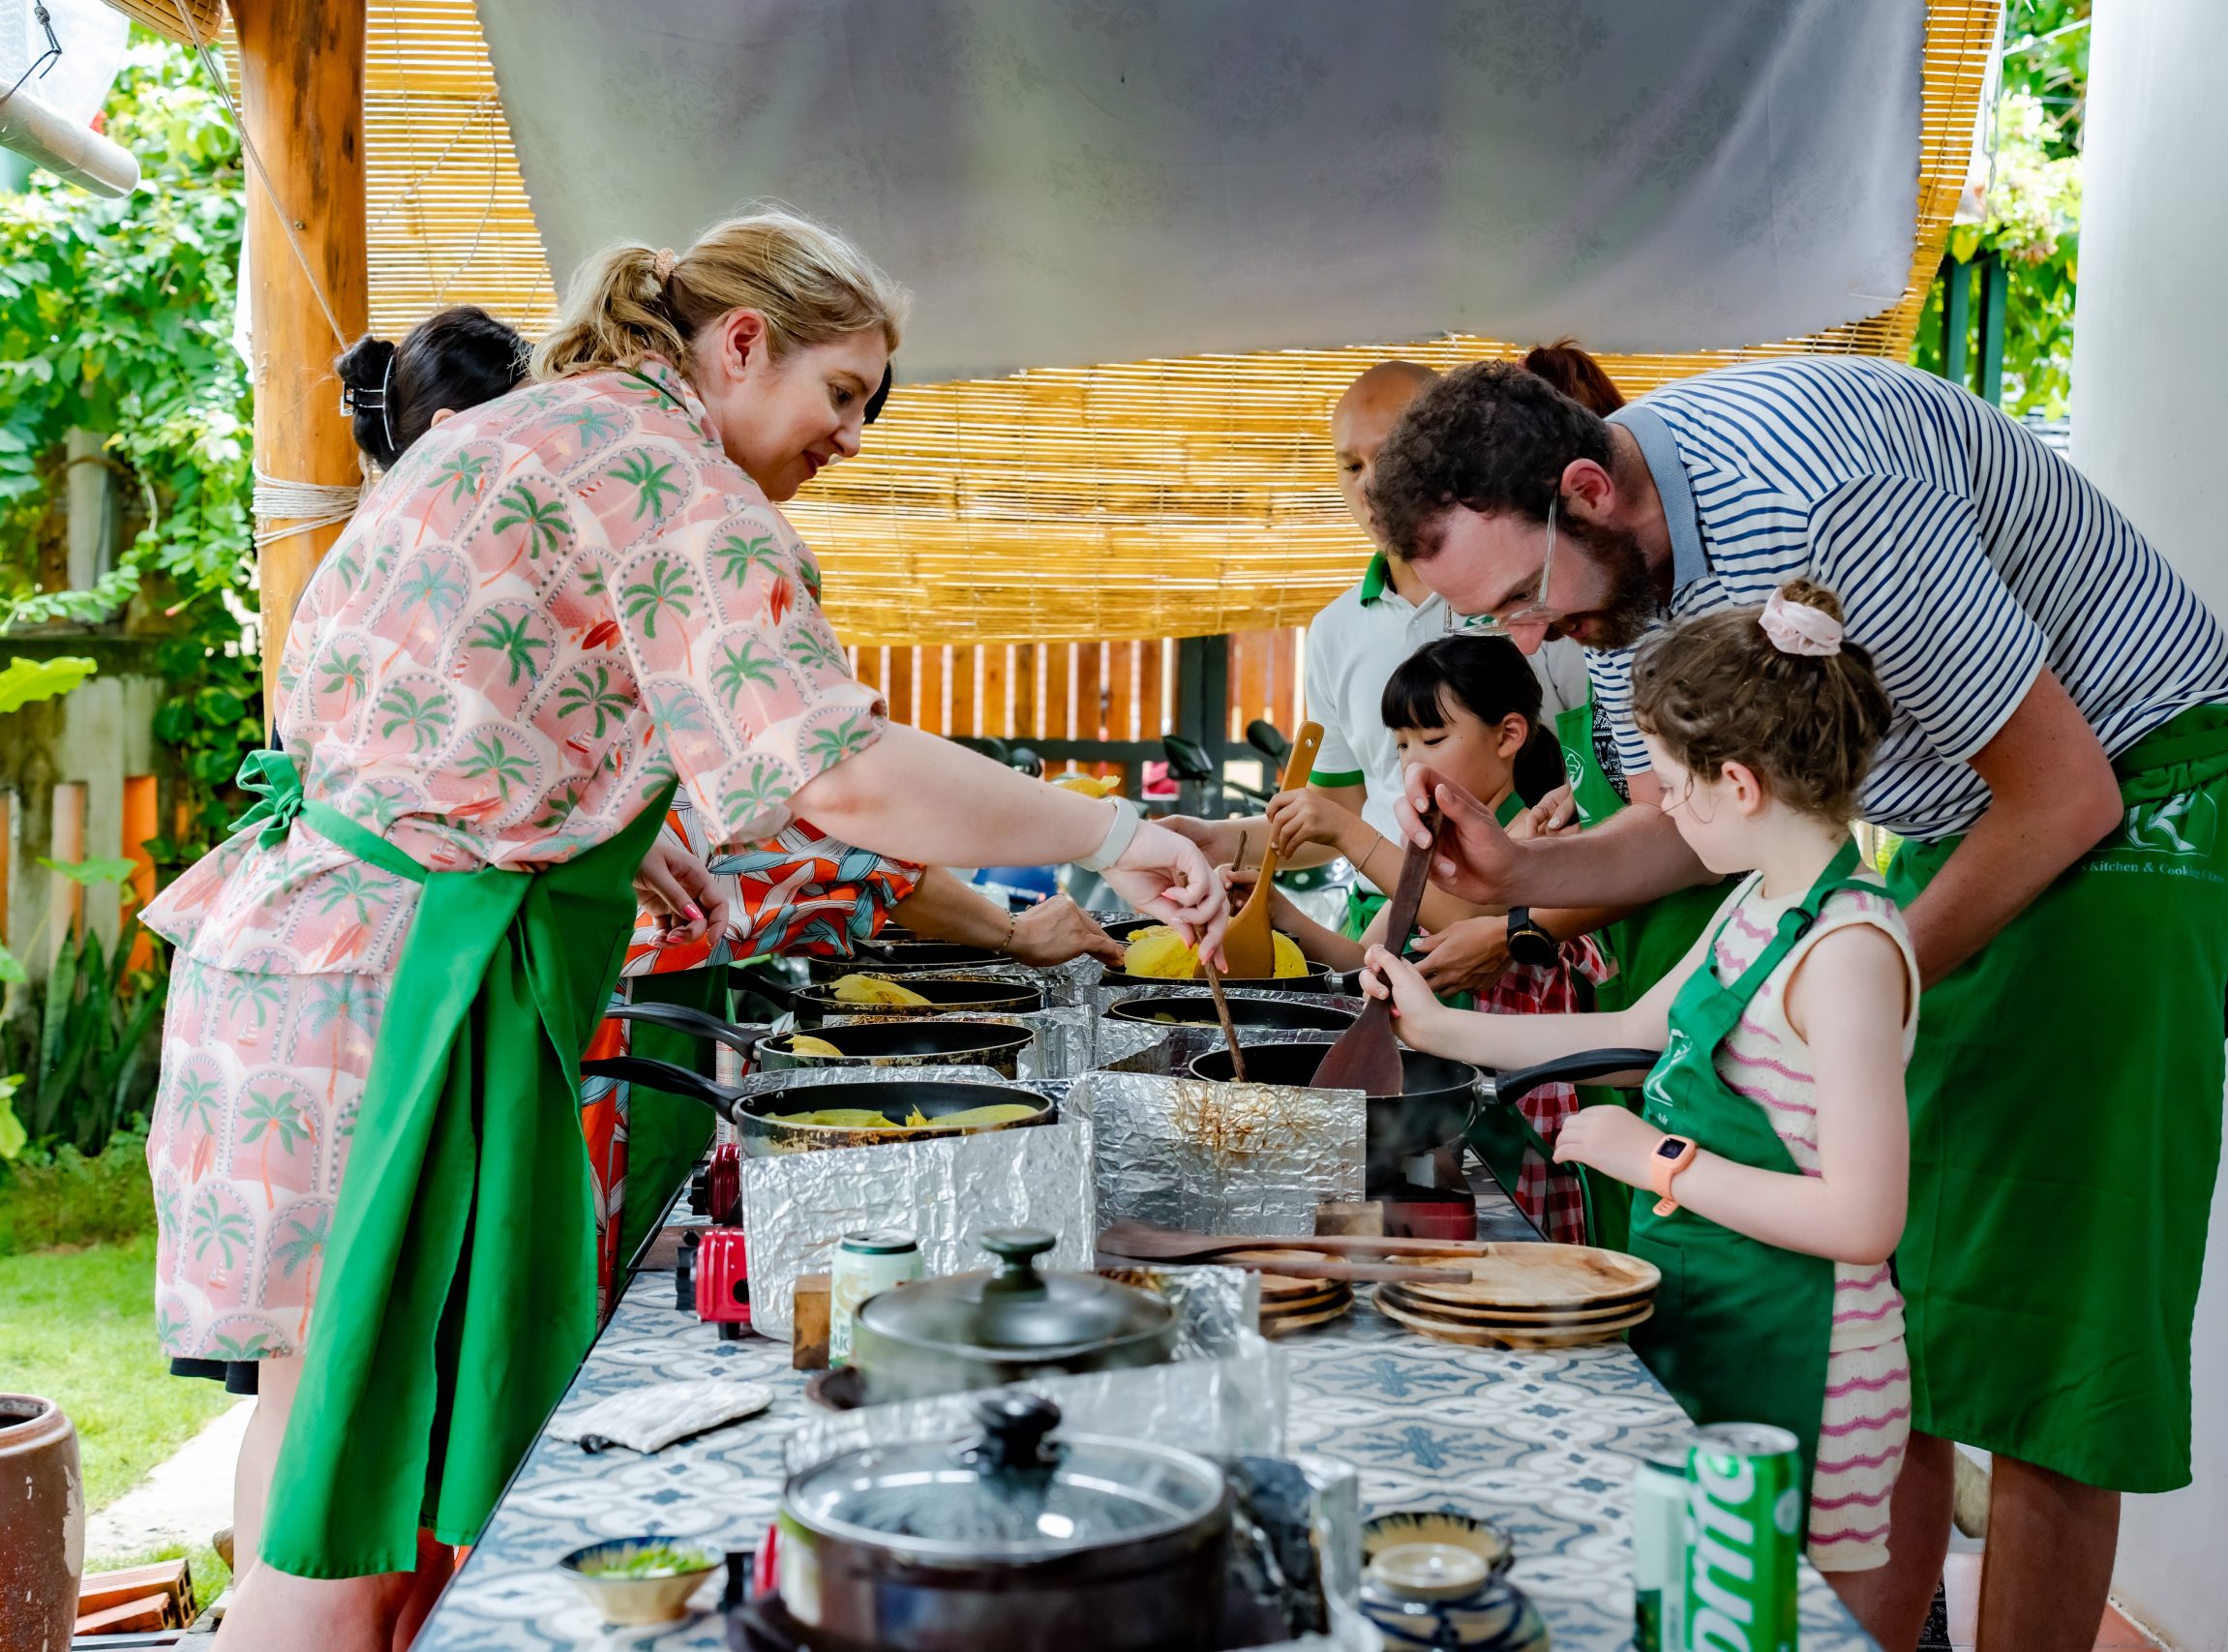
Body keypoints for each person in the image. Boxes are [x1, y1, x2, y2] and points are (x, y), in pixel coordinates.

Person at [140, 210, 1224, 1652]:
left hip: (290, 958)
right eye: (845, 392)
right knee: (359, 1506)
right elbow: (837, 769)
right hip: (398, 993)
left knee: (317, 1421)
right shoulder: (666, 470)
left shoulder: (533, 430)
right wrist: (1114, 831)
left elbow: (456, 696)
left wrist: (618, 818)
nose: (851, 437)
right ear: (741, 340)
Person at [1365, 354, 2228, 1652]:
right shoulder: (1611, 594)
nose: (1521, 640)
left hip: (2137, 793)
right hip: (1963, 824)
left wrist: (1838, 975)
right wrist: (1515, 868)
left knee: (2040, 1335)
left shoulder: (1819, 500)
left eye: (1521, 596)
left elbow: (2064, 792)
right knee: (1892, 1316)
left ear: (1588, 487)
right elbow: (1684, 829)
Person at [1365, 581, 1915, 1641]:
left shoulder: (1846, 952)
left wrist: (1653, 1158)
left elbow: (1863, 1220)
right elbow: (1638, 1031)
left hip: (1816, 1359)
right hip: (1721, 1311)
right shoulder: (1757, 907)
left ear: (1738, 785)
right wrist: (1437, 1029)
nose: (1661, 817)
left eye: (1668, 791)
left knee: (1783, 1622)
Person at [1166, 359, 1590, 937]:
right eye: (1350, 464)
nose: (1370, 485)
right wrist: (1222, 839)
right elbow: (1337, 813)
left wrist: (1522, 922)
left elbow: (1608, 780)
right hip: (1384, 925)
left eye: (1390, 456)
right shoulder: (1335, 629)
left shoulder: (1532, 595)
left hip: (1534, 927)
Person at [1249, 633, 1609, 1240]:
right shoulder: (1429, 846)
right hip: (1452, 1115)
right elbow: (1366, 958)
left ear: (1509, 734)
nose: (1413, 761)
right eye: (1402, 745)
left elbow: (1464, 915)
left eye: (1433, 739)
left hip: (1532, 1114)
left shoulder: (1542, 827)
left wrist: (1347, 832)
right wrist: (1279, 914)